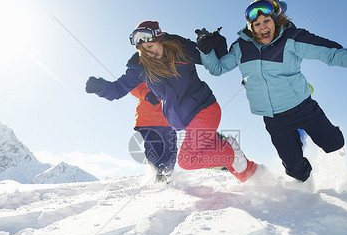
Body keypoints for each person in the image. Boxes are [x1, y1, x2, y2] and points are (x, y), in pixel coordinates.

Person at [196, 0, 347, 183]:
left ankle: (331, 133)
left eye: (266, 20)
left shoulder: (292, 39)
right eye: (256, 24)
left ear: (276, 20)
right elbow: (218, 68)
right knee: (293, 169)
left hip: (302, 108)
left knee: (333, 144)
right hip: (273, 117)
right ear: (251, 28)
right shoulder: (242, 47)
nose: (262, 27)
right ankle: (307, 187)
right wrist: (205, 50)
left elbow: (331, 53)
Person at [85, 21, 258, 182]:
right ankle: (251, 175)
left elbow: (213, 60)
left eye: (151, 46)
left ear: (160, 39)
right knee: (214, 152)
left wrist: (214, 44)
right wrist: (101, 87)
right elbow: (119, 89)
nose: (149, 53)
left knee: (186, 160)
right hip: (185, 120)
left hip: (204, 109)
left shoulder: (181, 48)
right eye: (143, 50)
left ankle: (230, 150)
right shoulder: (140, 66)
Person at [130, 82, 177, 183]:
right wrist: (146, 94)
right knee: (154, 148)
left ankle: (166, 175)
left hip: (170, 121)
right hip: (149, 120)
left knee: (170, 150)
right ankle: (159, 173)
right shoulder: (143, 68)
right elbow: (132, 84)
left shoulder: (175, 69)